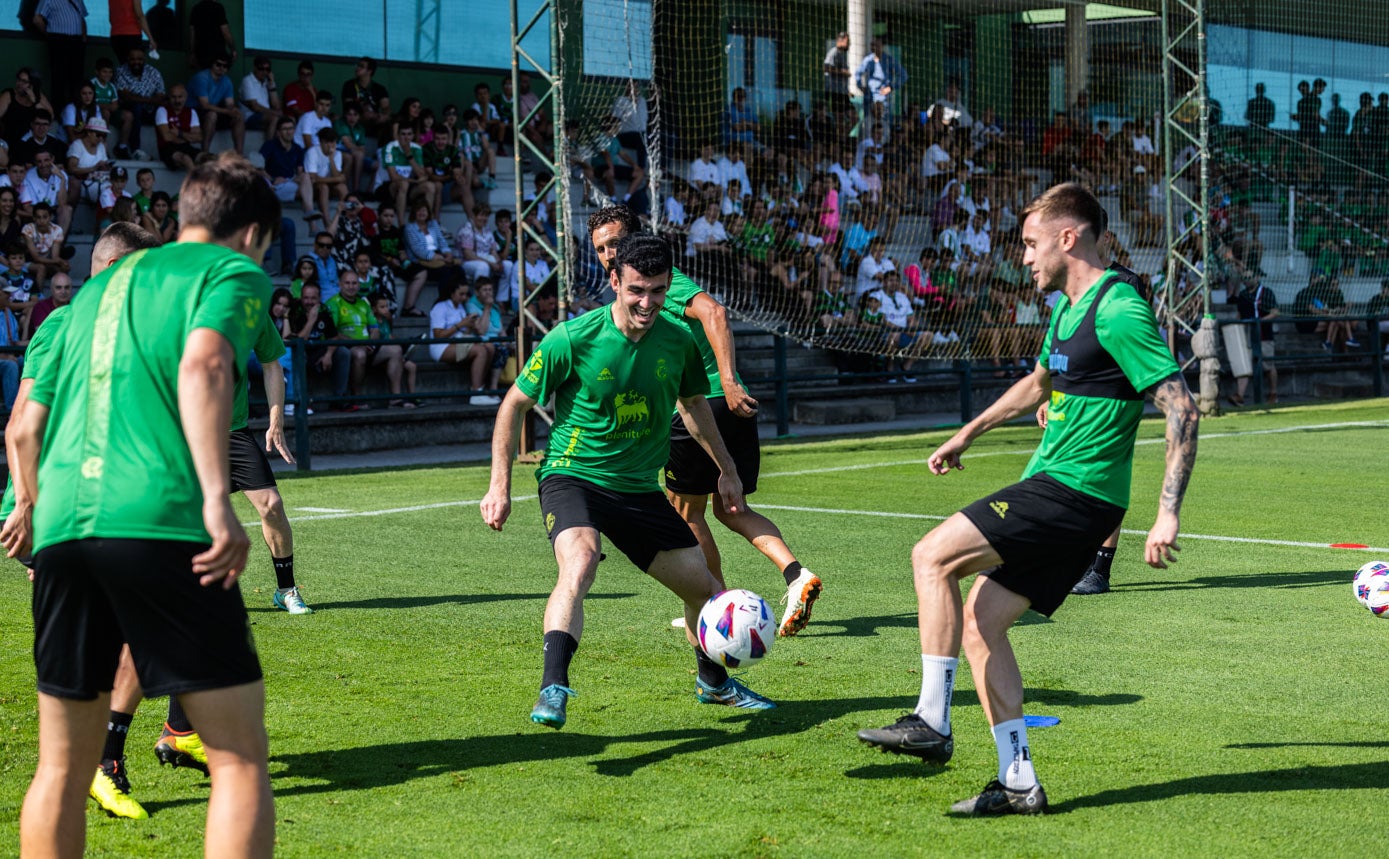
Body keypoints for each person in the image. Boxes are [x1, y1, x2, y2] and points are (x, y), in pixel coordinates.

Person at [856, 183, 1199, 816]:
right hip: (1066, 490)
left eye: (1031, 243)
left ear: (1069, 238)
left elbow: (1180, 405)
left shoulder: (1118, 309)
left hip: (1074, 492)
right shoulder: (1068, 309)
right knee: (983, 626)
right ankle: (1018, 784)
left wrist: (1167, 511)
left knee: (931, 556)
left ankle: (932, 719)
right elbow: (1038, 383)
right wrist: (968, 433)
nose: (1024, 257)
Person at [4, 154, 278, 857]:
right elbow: (206, 364)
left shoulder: (96, 290)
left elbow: (24, 427)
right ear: (252, 235)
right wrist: (218, 502)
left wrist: (31, 506)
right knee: (240, 757)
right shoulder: (232, 272)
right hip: (158, 519)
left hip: (62, 528)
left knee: (61, 767)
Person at [480, 233, 776, 731]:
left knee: (703, 588)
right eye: (637, 289)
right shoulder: (572, 338)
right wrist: (499, 485)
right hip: (574, 477)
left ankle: (714, 682)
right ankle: (554, 686)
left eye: (658, 291)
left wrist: (725, 468)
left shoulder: (678, 340)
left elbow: (695, 406)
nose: (647, 302)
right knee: (578, 563)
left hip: (639, 488)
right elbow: (513, 405)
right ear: (614, 281)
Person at [589, 205, 820, 633]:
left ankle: (714, 604)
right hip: (720, 403)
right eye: (601, 248)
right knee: (732, 509)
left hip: (703, 406)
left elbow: (714, 312)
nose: (608, 253)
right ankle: (796, 575)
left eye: (615, 243)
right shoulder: (637, 289)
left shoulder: (661, 280)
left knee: (686, 514)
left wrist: (728, 382)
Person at [429, 280, 496, 405]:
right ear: (452, 293)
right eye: (461, 294)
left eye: (466, 294)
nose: (465, 297)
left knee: (490, 347)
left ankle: (480, 386)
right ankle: (476, 393)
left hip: (460, 342)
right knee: (480, 351)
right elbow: (438, 335)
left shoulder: (460, 307)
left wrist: (471, 324)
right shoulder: (440, 307)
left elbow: (465, 332)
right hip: (442, 347)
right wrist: (461, 325)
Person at [33, 0, 89, 109]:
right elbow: (37, 19)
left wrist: (83, 38)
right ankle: (58, 111)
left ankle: (77, 111)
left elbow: (82, 18)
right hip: (59, 40)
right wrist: (50, 35)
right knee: (59, 77)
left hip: (76, 42)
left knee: (77, 78)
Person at [113, 47, 165, 159]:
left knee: (163, 110)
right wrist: (149, 99)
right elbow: (126, 96)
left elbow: (160, 96)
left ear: (144, 59)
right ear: (127, 59)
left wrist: (137, 98)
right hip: (130, 110)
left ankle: (167, 152)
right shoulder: (120, 71)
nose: (136, 62)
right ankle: (136, 149)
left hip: (149, 111)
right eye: (133, 59)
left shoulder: (153, 72)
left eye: (140, 59)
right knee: (136, 107)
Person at [188, 54, 245, 154]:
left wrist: (234, 110)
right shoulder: (202, 78)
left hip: (212, 111)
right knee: (212, 115)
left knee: (238, 116)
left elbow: (230, 104)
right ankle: (205, 152)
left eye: (225, 66)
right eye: (218, 64)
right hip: (193, 113)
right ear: (212, 65)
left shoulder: (227, 81)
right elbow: (204, 105)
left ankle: (239, 154)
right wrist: (227, 111)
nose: (221, 68)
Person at [154, 84, 202, 172]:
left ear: (186, 97)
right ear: (169, 98)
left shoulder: (191, 112)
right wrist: (188, 138)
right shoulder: (162, 110)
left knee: (210, 158)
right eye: (174, 97)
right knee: (186, 159)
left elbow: (198, 138)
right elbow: (167, 137)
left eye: (180, 97)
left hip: (186, 147)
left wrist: (179, 133)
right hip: (167, 149)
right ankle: (195, 185)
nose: (177, 100)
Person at [187, 0, 236, 71]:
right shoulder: (218, 7)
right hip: (217, 53)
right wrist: (233, 49)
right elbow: (225, 32)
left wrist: (192, 53)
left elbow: (192, 34)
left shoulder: (196, 9)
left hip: (201, 53)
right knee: (216, 78)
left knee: (205, 77)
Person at [108, 0, 158, 65]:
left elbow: (111, 18)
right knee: (135, 67)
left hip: (115, 36)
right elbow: (140, 16)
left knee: (124, 67)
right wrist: (151, 39)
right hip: (132, 35)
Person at [822, 31, 852, 133]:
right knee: (839, 120)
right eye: (847, 41)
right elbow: (826, 68)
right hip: (835, 92)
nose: (849, 44)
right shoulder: (833, 52)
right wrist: (842, 72)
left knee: (853, 117)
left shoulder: (842, 54)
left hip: (843, 92)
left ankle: (843, 134)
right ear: (841, 40)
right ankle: (840, 138)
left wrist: (847, 90)